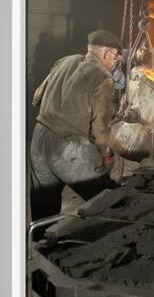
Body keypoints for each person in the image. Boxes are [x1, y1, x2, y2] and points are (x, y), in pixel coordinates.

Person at [30, 29, 122, 220]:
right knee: (109, 200)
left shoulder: (64, 61)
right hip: (68, 147)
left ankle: (41, 244)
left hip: (39, 139)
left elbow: (37, 96)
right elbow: (99, 129)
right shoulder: (103, 77)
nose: (115, 65)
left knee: (44, 206)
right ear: (107, 54)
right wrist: (106, 156)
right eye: (116, 59)